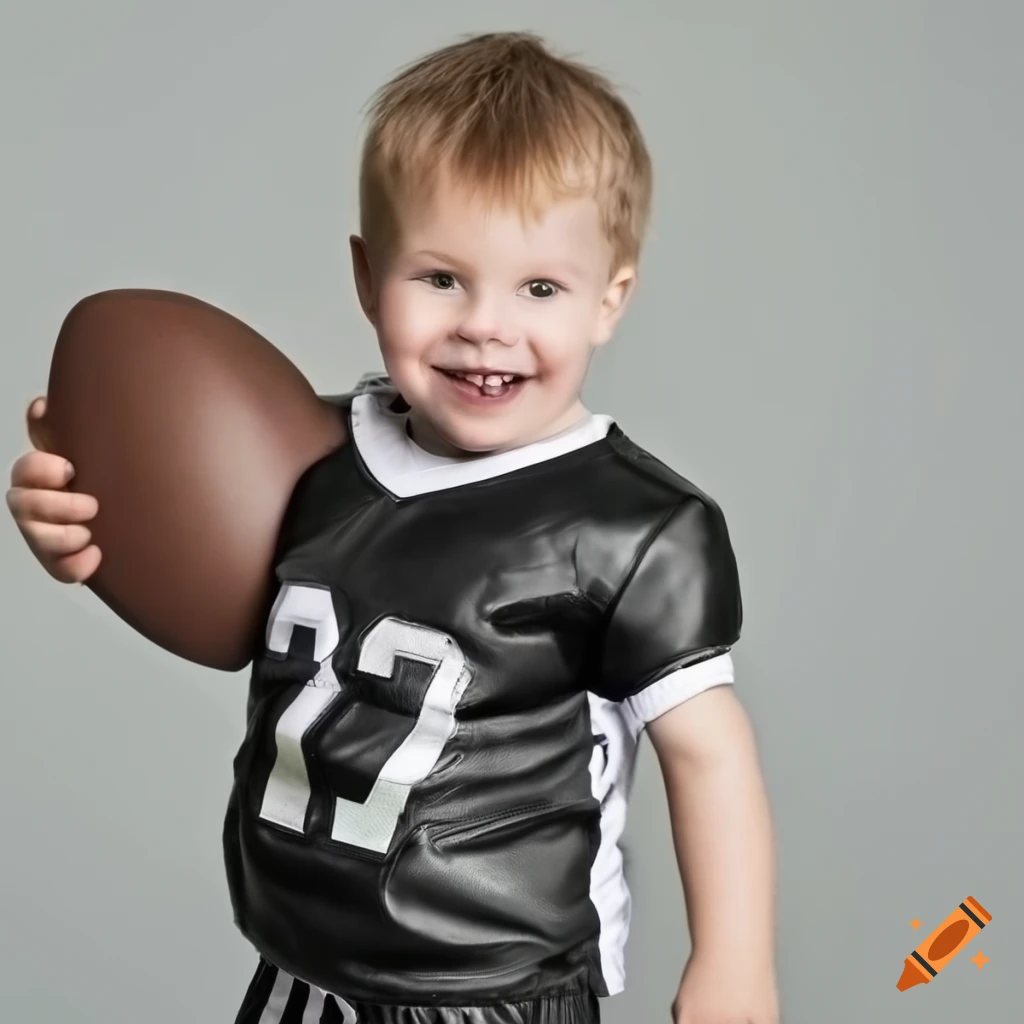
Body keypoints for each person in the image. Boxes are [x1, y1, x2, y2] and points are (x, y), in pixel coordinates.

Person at [6, 32, 778, 1024]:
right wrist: (78, 521)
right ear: (368, 278)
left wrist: (734, 958)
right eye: (440, 278)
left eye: (538, 287)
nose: (484, 325)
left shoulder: (630, 526)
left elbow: (707, 752)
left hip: (489, 988)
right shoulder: (301, 454)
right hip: (298, 965)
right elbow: (189, 548)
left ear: (606, 301)